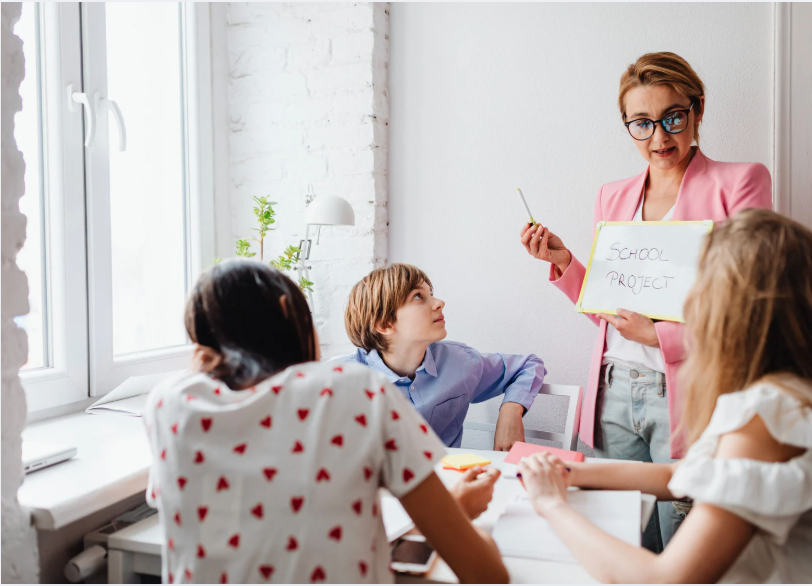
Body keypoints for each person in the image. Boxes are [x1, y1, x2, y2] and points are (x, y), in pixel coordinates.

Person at [518, 51, 772, 550]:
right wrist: (566, 262)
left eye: (673, 117)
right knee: (624, 534)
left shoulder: (739, 182)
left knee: (686, 536)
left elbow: (754, 305)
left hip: (691, 389)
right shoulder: (613, 196)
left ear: (698, 111)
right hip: (613, 388)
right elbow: (614, 309)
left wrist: (663, 336)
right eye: (642, 123)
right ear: (628, 126)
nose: (660, 138)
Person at [143, 260, 509, 584]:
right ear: (291, 313)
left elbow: (287, 533)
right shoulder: (358, 390)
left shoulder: (169, 405)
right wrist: (459, 517)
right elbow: (484, 574)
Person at [518, 209, 812, 583]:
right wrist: (571, 471)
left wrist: (551, 504)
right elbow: (680, 474)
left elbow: (665, 577)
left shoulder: (766, 413)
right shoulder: (781, 391)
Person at [334, 263, 546, 450]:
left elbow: (528, 365)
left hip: (448, 486)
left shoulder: (461, 362)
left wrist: (510, 411)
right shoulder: (338, 382)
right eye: (418, 296)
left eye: (431, 293)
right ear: (384, 324)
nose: (439, 302)